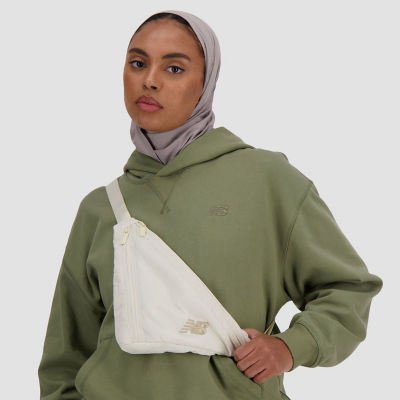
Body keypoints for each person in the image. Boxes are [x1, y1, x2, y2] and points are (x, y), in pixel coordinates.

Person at [37, 10, 383, 400]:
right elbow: (65, 357)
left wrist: (291, 347)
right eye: (138, 63)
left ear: (206, 83)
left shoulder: (268, 181)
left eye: (174, 68)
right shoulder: (100, 208)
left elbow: (348, 288)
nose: (149, 80)